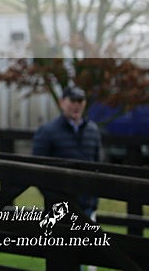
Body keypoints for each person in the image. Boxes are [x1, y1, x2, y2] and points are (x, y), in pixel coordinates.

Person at [32, 85, 102, 219]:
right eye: (72, 100)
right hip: (58, 209)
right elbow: (37, 170)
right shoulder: (47, 131)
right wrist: (56, 200)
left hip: (87, 206)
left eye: (80, 101)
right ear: (62, 102)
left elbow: (97, 166)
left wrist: (93, 201)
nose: (76, 105)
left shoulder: (93, 131)